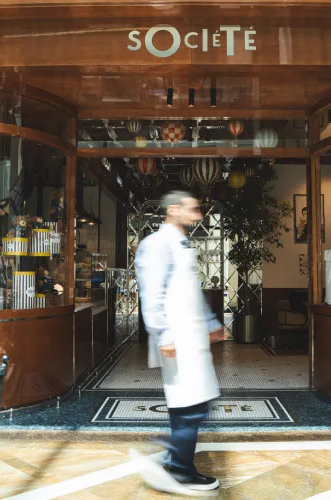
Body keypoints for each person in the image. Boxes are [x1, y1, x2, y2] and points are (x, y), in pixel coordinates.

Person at [135, 190, 224, 493]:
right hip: (176, 338)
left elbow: (191, 290)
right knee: (190, 405)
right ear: (174, 210)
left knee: (197, 402)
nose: (198, 216)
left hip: (192, 337)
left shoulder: (181, 243)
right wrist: (163, 334)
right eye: (193, 210)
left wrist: (210, 324)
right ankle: (180, 468)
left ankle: (174, 457)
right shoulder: (156, 244)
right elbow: (151, 293)